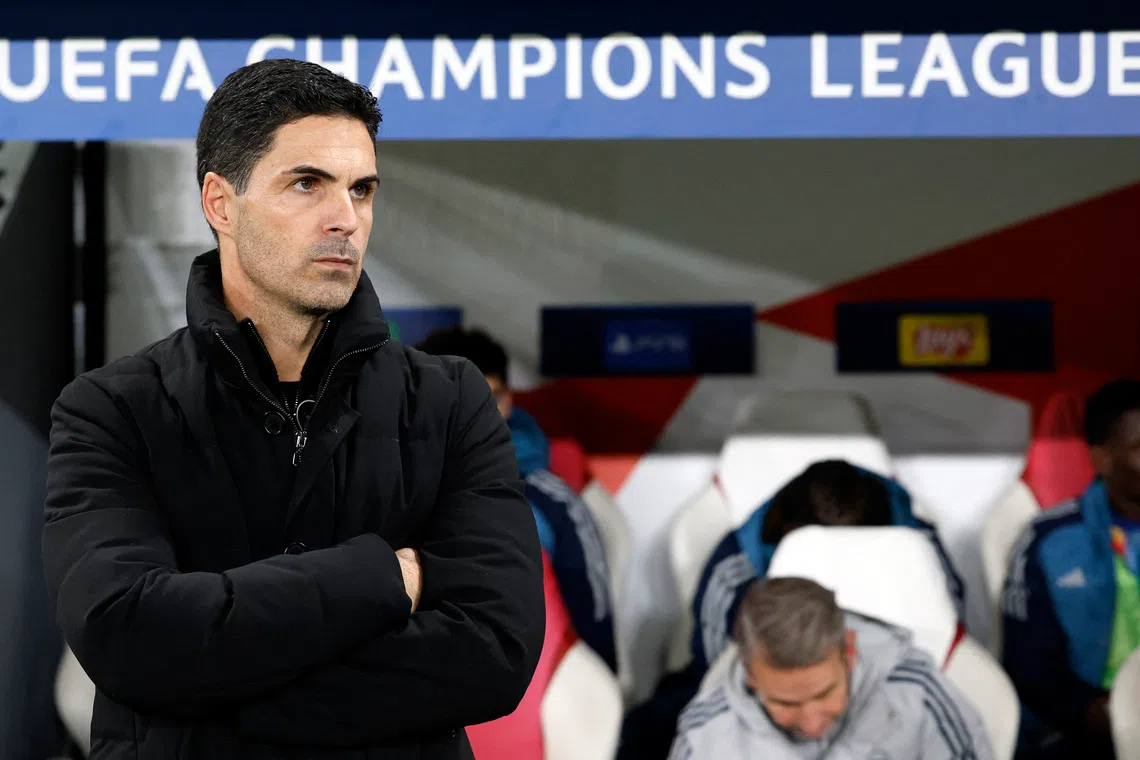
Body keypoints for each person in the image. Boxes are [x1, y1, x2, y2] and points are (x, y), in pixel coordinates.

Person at [41, 59, 544, 760]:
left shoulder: (450, 400)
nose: (346, 218)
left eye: (362, 189)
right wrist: (383, 578)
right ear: (220, 202)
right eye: (307, 184)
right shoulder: (111, 409)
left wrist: (220, 702)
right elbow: (127, 637)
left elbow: (496, 650)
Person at [417, 326, 618, 672]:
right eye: (456, 398)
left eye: (489, 398)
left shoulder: (551, 505)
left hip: (525, 689)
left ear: (508, 402)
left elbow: (591, 627)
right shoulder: (383, 486)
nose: (474, 415)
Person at [669, 577, 993, 760]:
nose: (811, 722)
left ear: (849, 651)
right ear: (750, 674)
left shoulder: (917, 696)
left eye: (826, 692)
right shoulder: (705, 737)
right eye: (785, 703)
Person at [690, 459, 965, 673]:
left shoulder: (922, 552)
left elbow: (950, 642)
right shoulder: (735, 572)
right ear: (783, 531)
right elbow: (716, 673)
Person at [1002, 379, 1140, 759]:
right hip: (1085, 726)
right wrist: (1101, 715)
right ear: (1102, 459)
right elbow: (1030, 665)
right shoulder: (1050, 540)